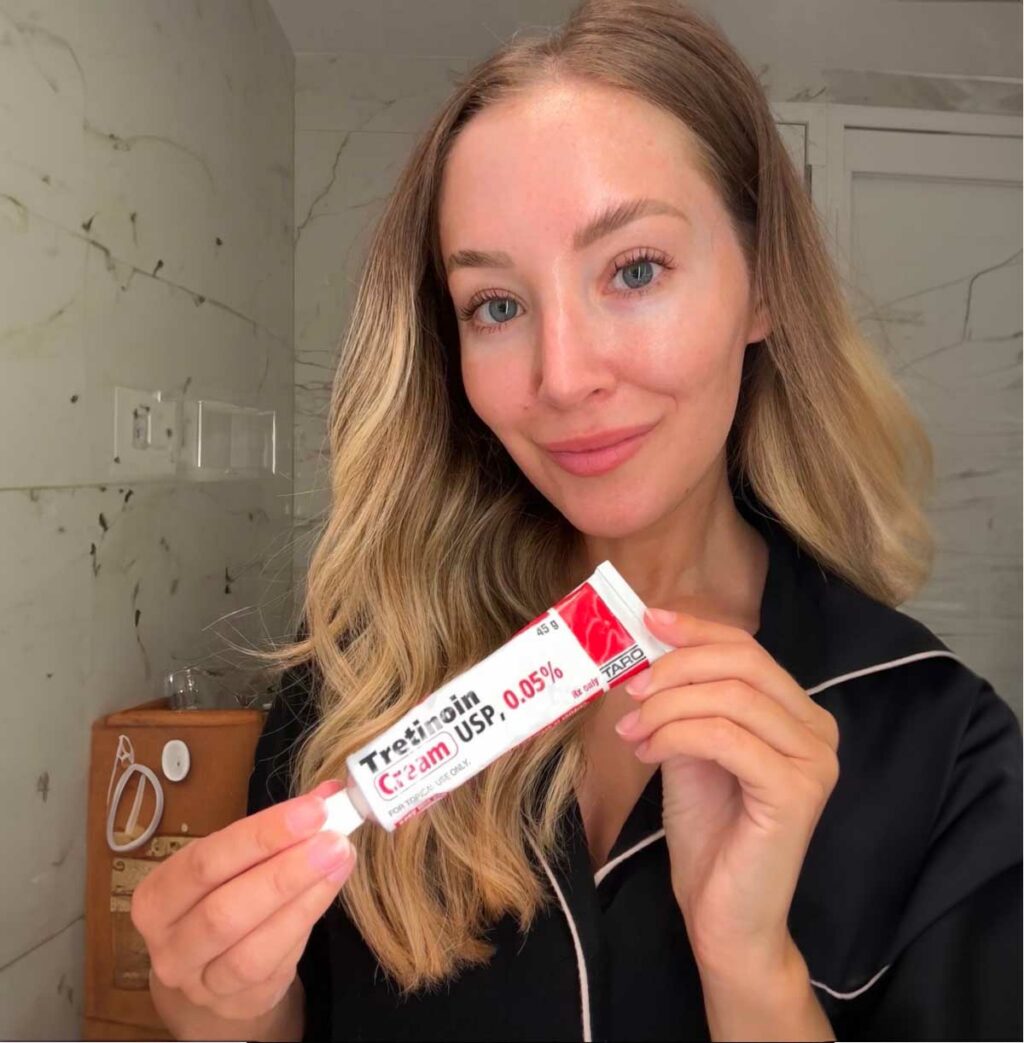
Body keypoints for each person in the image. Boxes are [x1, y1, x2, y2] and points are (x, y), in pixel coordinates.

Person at [131, 1, 1023, 1039]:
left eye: (633, 270)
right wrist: (221, 1014)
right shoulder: (348, 696)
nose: (561, 377)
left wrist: (752, 967)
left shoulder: (938, 742)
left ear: (761, 285)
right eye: (495, 305)